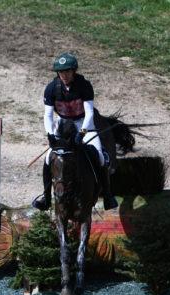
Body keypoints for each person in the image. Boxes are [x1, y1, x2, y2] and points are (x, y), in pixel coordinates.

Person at [32, 52, 118, 211]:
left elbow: (90, 113)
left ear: (74, 71)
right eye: (61, 72)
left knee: (100, 156)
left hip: (84, 124)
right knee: (47, 159)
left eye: (67, 71)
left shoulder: (84, 86)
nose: (63, 75)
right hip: (63, 126)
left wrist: (82, 133)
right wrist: (50, 134)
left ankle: (107, 194)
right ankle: (46, 197)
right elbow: (48, 115)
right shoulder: (51, 88)